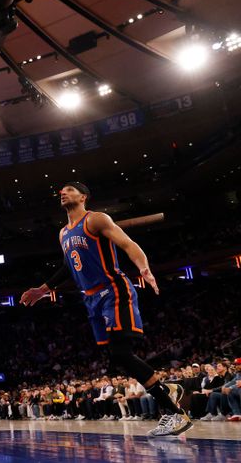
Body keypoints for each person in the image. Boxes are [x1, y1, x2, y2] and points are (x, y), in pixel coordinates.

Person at [20, 182, 192, 437]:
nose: (63, 193)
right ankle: (167, 390)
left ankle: (174, 412)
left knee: (121, 352)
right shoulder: (63, 233)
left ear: (83, 196)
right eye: (61, 191)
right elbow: (68, 267)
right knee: (114, 355)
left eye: (69, 189)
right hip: (90, 298)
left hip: (113, 290)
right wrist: (42, 289)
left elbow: (127, 243)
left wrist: (143, 268)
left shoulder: (96, 220)